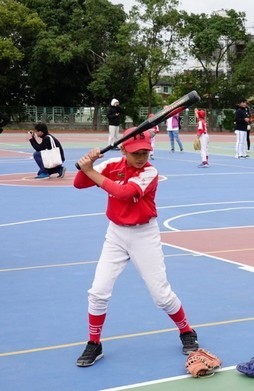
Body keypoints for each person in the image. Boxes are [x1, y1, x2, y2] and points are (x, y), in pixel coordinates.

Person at [73, 128, 199, 367]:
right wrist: (87, 164)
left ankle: (187, 331)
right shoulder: (111, 164)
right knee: (98, 291)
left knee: (161, 296)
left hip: (144, 235)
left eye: (145, 152)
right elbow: (80, 183)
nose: (141, 157)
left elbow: (123, 193)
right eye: (135, 153)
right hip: (116, 234)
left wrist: (90, 171)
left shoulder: (150, 172)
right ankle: (94, 343)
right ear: (123, 150)